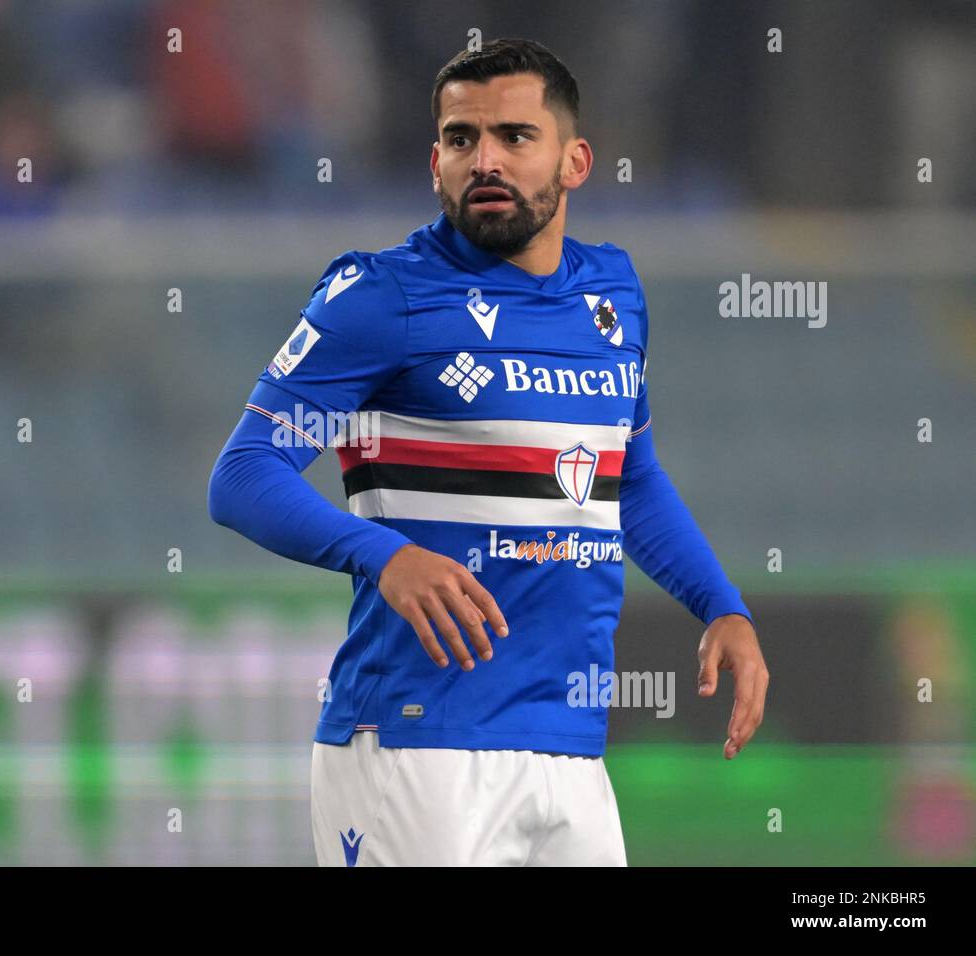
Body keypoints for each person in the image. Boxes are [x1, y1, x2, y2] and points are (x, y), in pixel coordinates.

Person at [208, 37, 769, 866]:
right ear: (434, 160)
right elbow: (244, 473)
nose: (486, 160)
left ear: (575, 160)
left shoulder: (612, 293)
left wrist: (722, 605)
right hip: (415, 741)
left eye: (514, 136)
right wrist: (386, 557)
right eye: (463, 139)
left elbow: (631, 478)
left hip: (570, 748)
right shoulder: (381, 296)